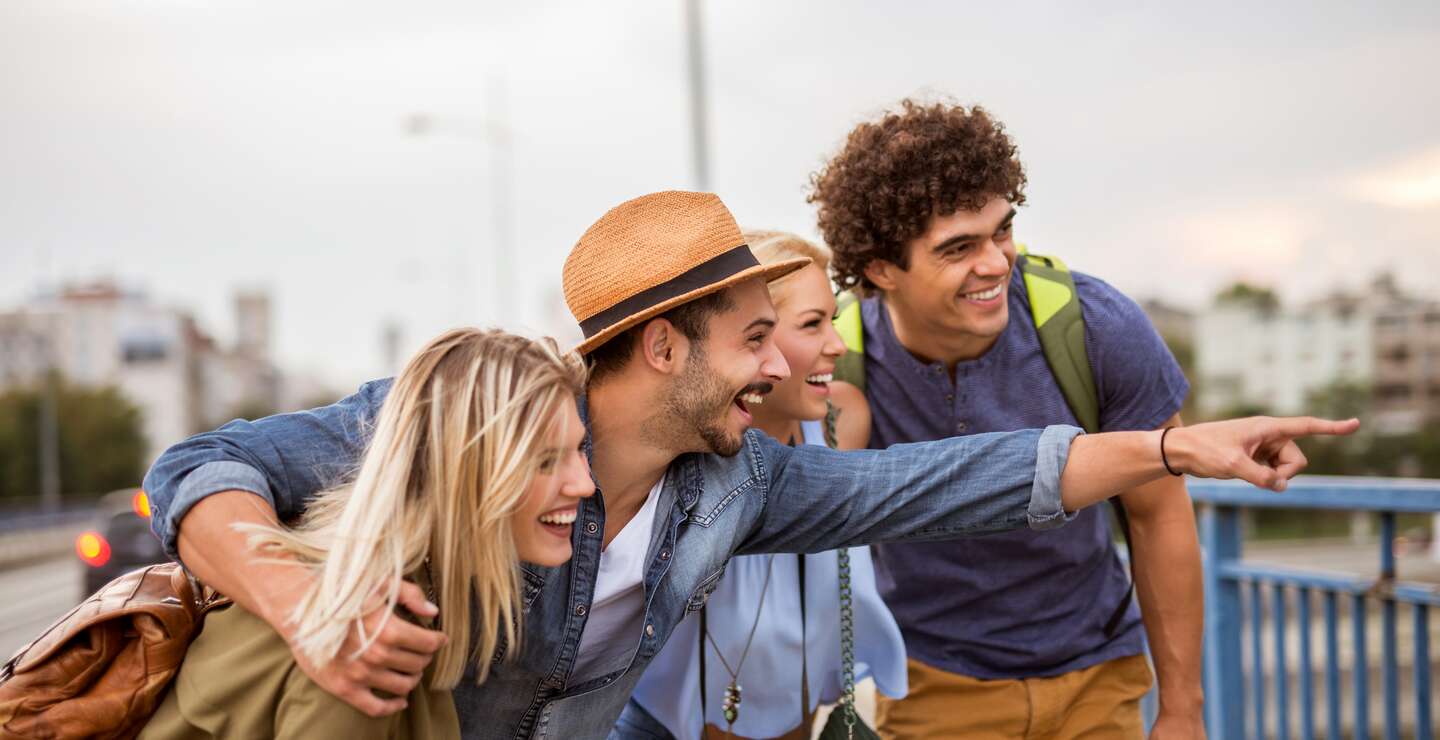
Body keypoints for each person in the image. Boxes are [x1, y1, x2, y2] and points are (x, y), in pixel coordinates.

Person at [142, 190, 1355, 739]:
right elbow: (198, 462)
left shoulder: (736, 481)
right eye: (753, 339)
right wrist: (306, 604)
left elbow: (946, 482)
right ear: (664, 347)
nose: (779, 369)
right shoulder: (481, 416)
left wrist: (1169, 445)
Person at [808, 99, 1204, 738]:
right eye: (959, 248)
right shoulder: (837, 361)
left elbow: (1159, 515)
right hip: (933, 684)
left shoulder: (1094, 326)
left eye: (1002, 231)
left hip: (1098, 679)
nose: (995, 262)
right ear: (881, 269)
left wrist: (1184, 711)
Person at [140, 329, 592, 738]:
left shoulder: (404, 590)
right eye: (546, 461)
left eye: (578, 450)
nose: (584, 484)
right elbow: (185, 465)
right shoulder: (364, 633)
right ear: (464, 471)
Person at [619, 231, 907, 739]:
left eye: (833, 321)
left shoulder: (843, 422)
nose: (837, 346)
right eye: (812, 324)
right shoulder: (680, 454)